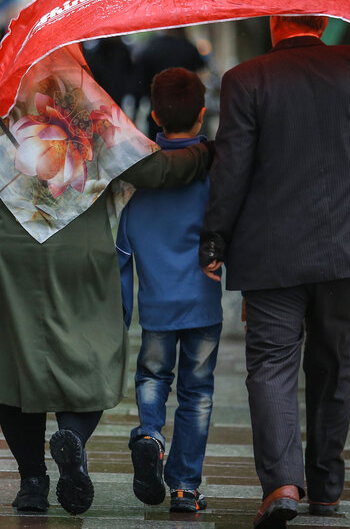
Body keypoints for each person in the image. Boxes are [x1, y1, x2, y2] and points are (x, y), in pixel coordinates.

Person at [0, 46, 212, 516]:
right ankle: (72, 438)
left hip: (7, 257)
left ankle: (31, 482)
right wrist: (203, 154)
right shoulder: (94, 108)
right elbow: (155, 171)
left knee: (13, 365)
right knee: (93, 351)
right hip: (80, 252)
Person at [199, 9, 350, 528]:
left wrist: (215, 237)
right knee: (333, 361)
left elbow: (232, 167)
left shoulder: (245, 80)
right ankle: (326, 490)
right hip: (347, 248)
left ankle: (282, 484)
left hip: (270, 251)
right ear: (323, 24)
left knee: (270, 364)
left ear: (274, 25)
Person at [117, 68, 223, 513]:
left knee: (153, 377)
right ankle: (184, 487)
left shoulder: (141, 188)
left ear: (155, 117)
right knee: (197, 393)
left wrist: (120, 316)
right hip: (202, 305)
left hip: (156, 309)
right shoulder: (212, 180)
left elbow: (122, 252)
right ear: (202, 115)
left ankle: (148, 434)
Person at [132, 28, 205, 139]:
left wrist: (134, 115)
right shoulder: (188, 48)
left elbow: (140, 86)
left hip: (161, 112)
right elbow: (200, 70)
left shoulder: (150, 49)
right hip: (188, 112)